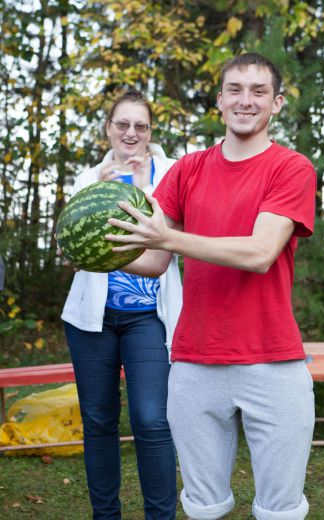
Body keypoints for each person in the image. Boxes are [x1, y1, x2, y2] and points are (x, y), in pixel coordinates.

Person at [106, 53, 317, 520]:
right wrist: (95, 256)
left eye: (258, 91)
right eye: (235, 90)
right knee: (203, 508)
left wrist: (169, 238)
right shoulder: (187, 170)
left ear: (277, 103)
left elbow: (260, 253)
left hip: (273, 361)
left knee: (280, 510)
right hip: (194, 361)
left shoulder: (291, 168)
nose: (246, 100)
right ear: (219, 100)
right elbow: (156, 258)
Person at [61, 89, 182, 520]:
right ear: (109, 128)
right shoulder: (86, 178)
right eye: (122, 124)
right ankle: (105, 515)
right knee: (98, 422)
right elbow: (73, 252)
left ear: (150, 133)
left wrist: (137, 195)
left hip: (149, 317)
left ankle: (160, 516)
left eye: (140, 126)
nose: (131, 133)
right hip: (90, 321)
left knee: (151, 419)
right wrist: (99, 192)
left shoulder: (171, 174)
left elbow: (169, 248)